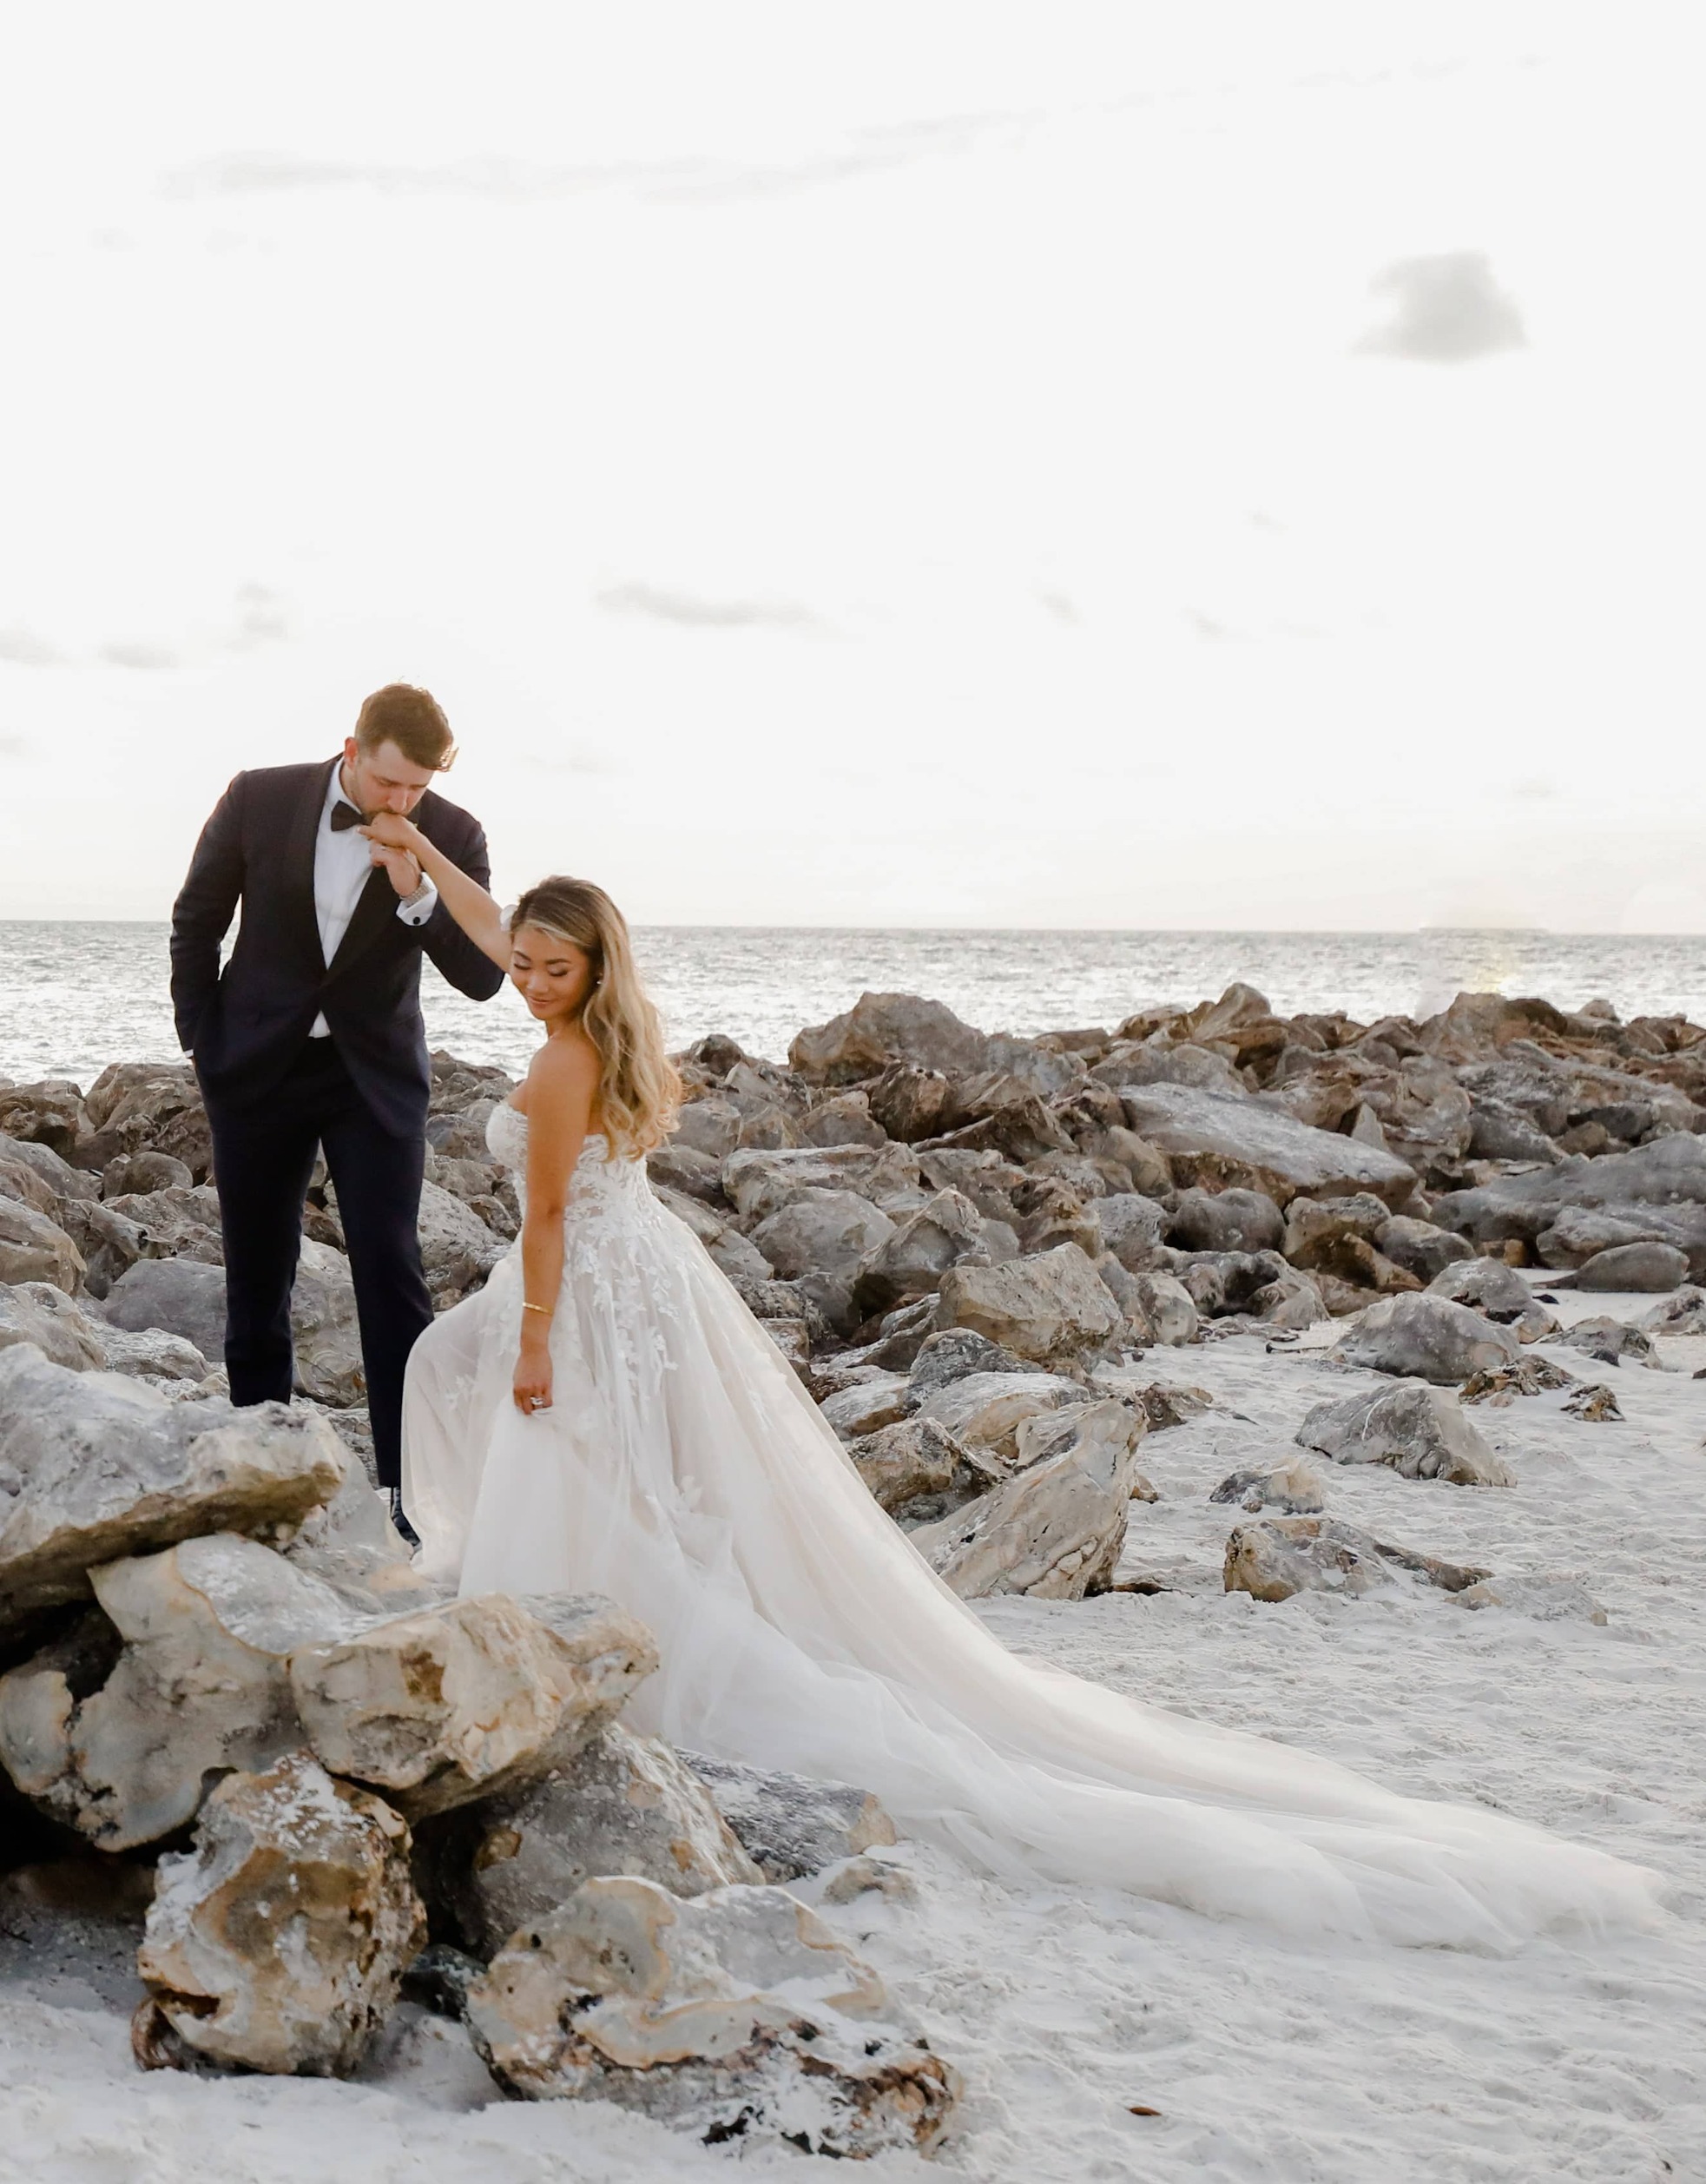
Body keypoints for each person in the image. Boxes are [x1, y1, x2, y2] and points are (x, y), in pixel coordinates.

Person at [371, 811, 1662, 1951]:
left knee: (483, 1378)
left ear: (596, 965)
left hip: (587, 1280)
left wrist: (535, 1334)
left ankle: (558, 1602)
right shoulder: (593, 1030)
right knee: (566, 1429)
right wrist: (425, 850)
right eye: (525, 964)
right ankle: (541, 1578)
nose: (528, 981)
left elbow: (540, 1221)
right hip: (644, 1270)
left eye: (552, 966)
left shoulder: (552, 1063)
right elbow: (494, 935)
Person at [169, 685, 505, 1531]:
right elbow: (197, 918)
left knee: (391, 1274)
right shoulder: (260, 796)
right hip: (255, 1068)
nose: (401, 803)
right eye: (390, 783)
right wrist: (201, 1039)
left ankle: (409, 1492)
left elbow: (484, 974)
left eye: (417, 789)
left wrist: (414, 888)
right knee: (257, 1272)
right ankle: (260, 1469)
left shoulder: (453, 835)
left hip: (374, 1078)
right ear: (352, 749)